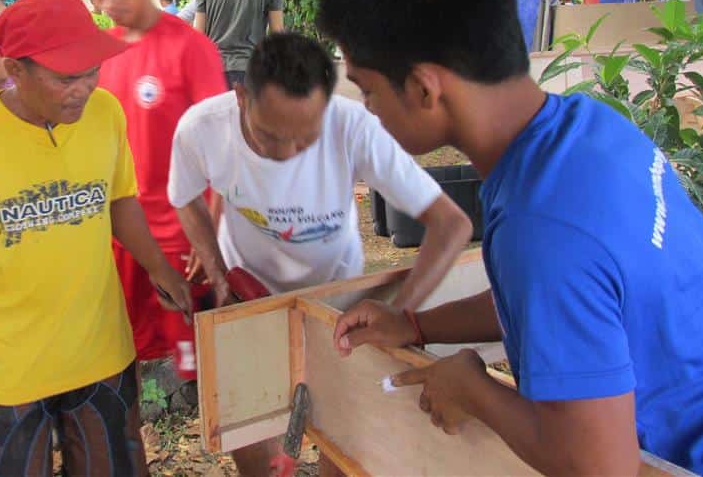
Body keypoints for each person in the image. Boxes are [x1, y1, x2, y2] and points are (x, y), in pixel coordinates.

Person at [316, 0, 703, 476]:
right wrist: (416, 325)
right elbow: (563, 301)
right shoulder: (587, 129)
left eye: (367, 88)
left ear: (423, 88)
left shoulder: (542, 230)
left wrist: (473, 391)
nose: (367, 108)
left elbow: (600, 470)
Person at [0, 0, 193, 475]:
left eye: (91, 72)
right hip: (8, 371)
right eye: (65, 78)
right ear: (15, 71)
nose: (83, 89)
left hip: (101, 355)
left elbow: (119, 201)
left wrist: (161, 269)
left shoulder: (105, 114)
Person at [167, 32, 473, 476]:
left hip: (338, 301)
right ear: (240, 98)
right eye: (271, 136)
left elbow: (452, 224)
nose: (287, 154)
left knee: (344, 438)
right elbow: (185, 197)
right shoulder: (200, 130)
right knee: (249, 431)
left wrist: (402, 314)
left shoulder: (353, 127)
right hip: (248, 299)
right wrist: (215, 268)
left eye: (305, 139)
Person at [80, 0, 226, 371]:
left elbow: (222, 153)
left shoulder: (191, 48)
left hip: (180, 240)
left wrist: (211, 237)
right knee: (124, 361)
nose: (109, 6)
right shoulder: (98, 56)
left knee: (200, 367)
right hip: (121, 238)